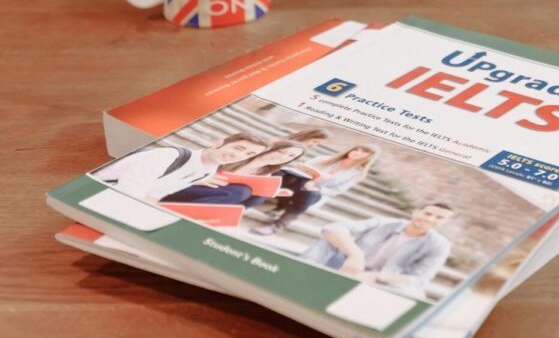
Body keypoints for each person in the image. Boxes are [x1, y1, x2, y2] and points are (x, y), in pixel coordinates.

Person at [300, 203, 455, 291]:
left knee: (411, 291)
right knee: (328, 240)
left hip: (380, 280)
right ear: (416, 212)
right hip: (345, 264)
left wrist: (375, 276)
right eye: (427, 213)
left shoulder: (439, 245)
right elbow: (334, 227)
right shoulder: (384, 223)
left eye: (439, 217)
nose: (430, 219)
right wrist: (355, 255)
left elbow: (420, 279)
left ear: (444, 223)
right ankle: (300, 274)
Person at [92, 133, 271, 202]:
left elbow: (154, 196)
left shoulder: (208, 171)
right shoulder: (169, 156)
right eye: (238, 148)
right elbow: (128, 191)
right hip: (99, 194)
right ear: (218, 143)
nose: (238, 156)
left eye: (247, 154)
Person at [252, 144, 379, 235]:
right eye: (357, 149)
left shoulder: (355, 173)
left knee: (310, 194)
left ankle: (276, 226)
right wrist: (303, 173)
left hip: (314, 193)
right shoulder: (324, 159)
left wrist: (317, 188)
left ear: (368, 157)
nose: (357, 152)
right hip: (296, 184)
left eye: (364, 152)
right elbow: (300, 168)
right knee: (284, 175)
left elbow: (337, 191)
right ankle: (266, 203)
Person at [159, 140, 305, 207]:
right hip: (187, 185)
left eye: (290, 156)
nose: (283, 157)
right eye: (282, 151)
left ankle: (195, 212)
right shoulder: (239, 155)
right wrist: (200, 178)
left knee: (255, 197)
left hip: (209, 195)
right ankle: (188, 213)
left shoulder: (267, 174)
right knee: (243, 191)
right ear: (270, 148)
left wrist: (274, 192)